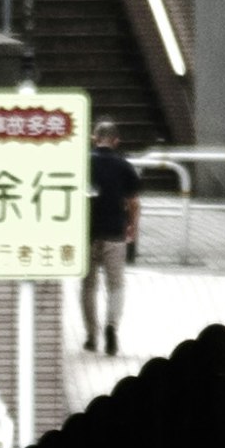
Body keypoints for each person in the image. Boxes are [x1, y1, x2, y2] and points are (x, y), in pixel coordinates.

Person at [82, 132, 139, 361]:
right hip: (115, 233)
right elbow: (134, 202)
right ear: (116, 140)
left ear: (96, 138)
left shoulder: (83, 161)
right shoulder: (124, 165)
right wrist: (132, 226)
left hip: (86, 233)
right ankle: (111, 328)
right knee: (116, 285)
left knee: (88, 286)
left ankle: (91, 335)